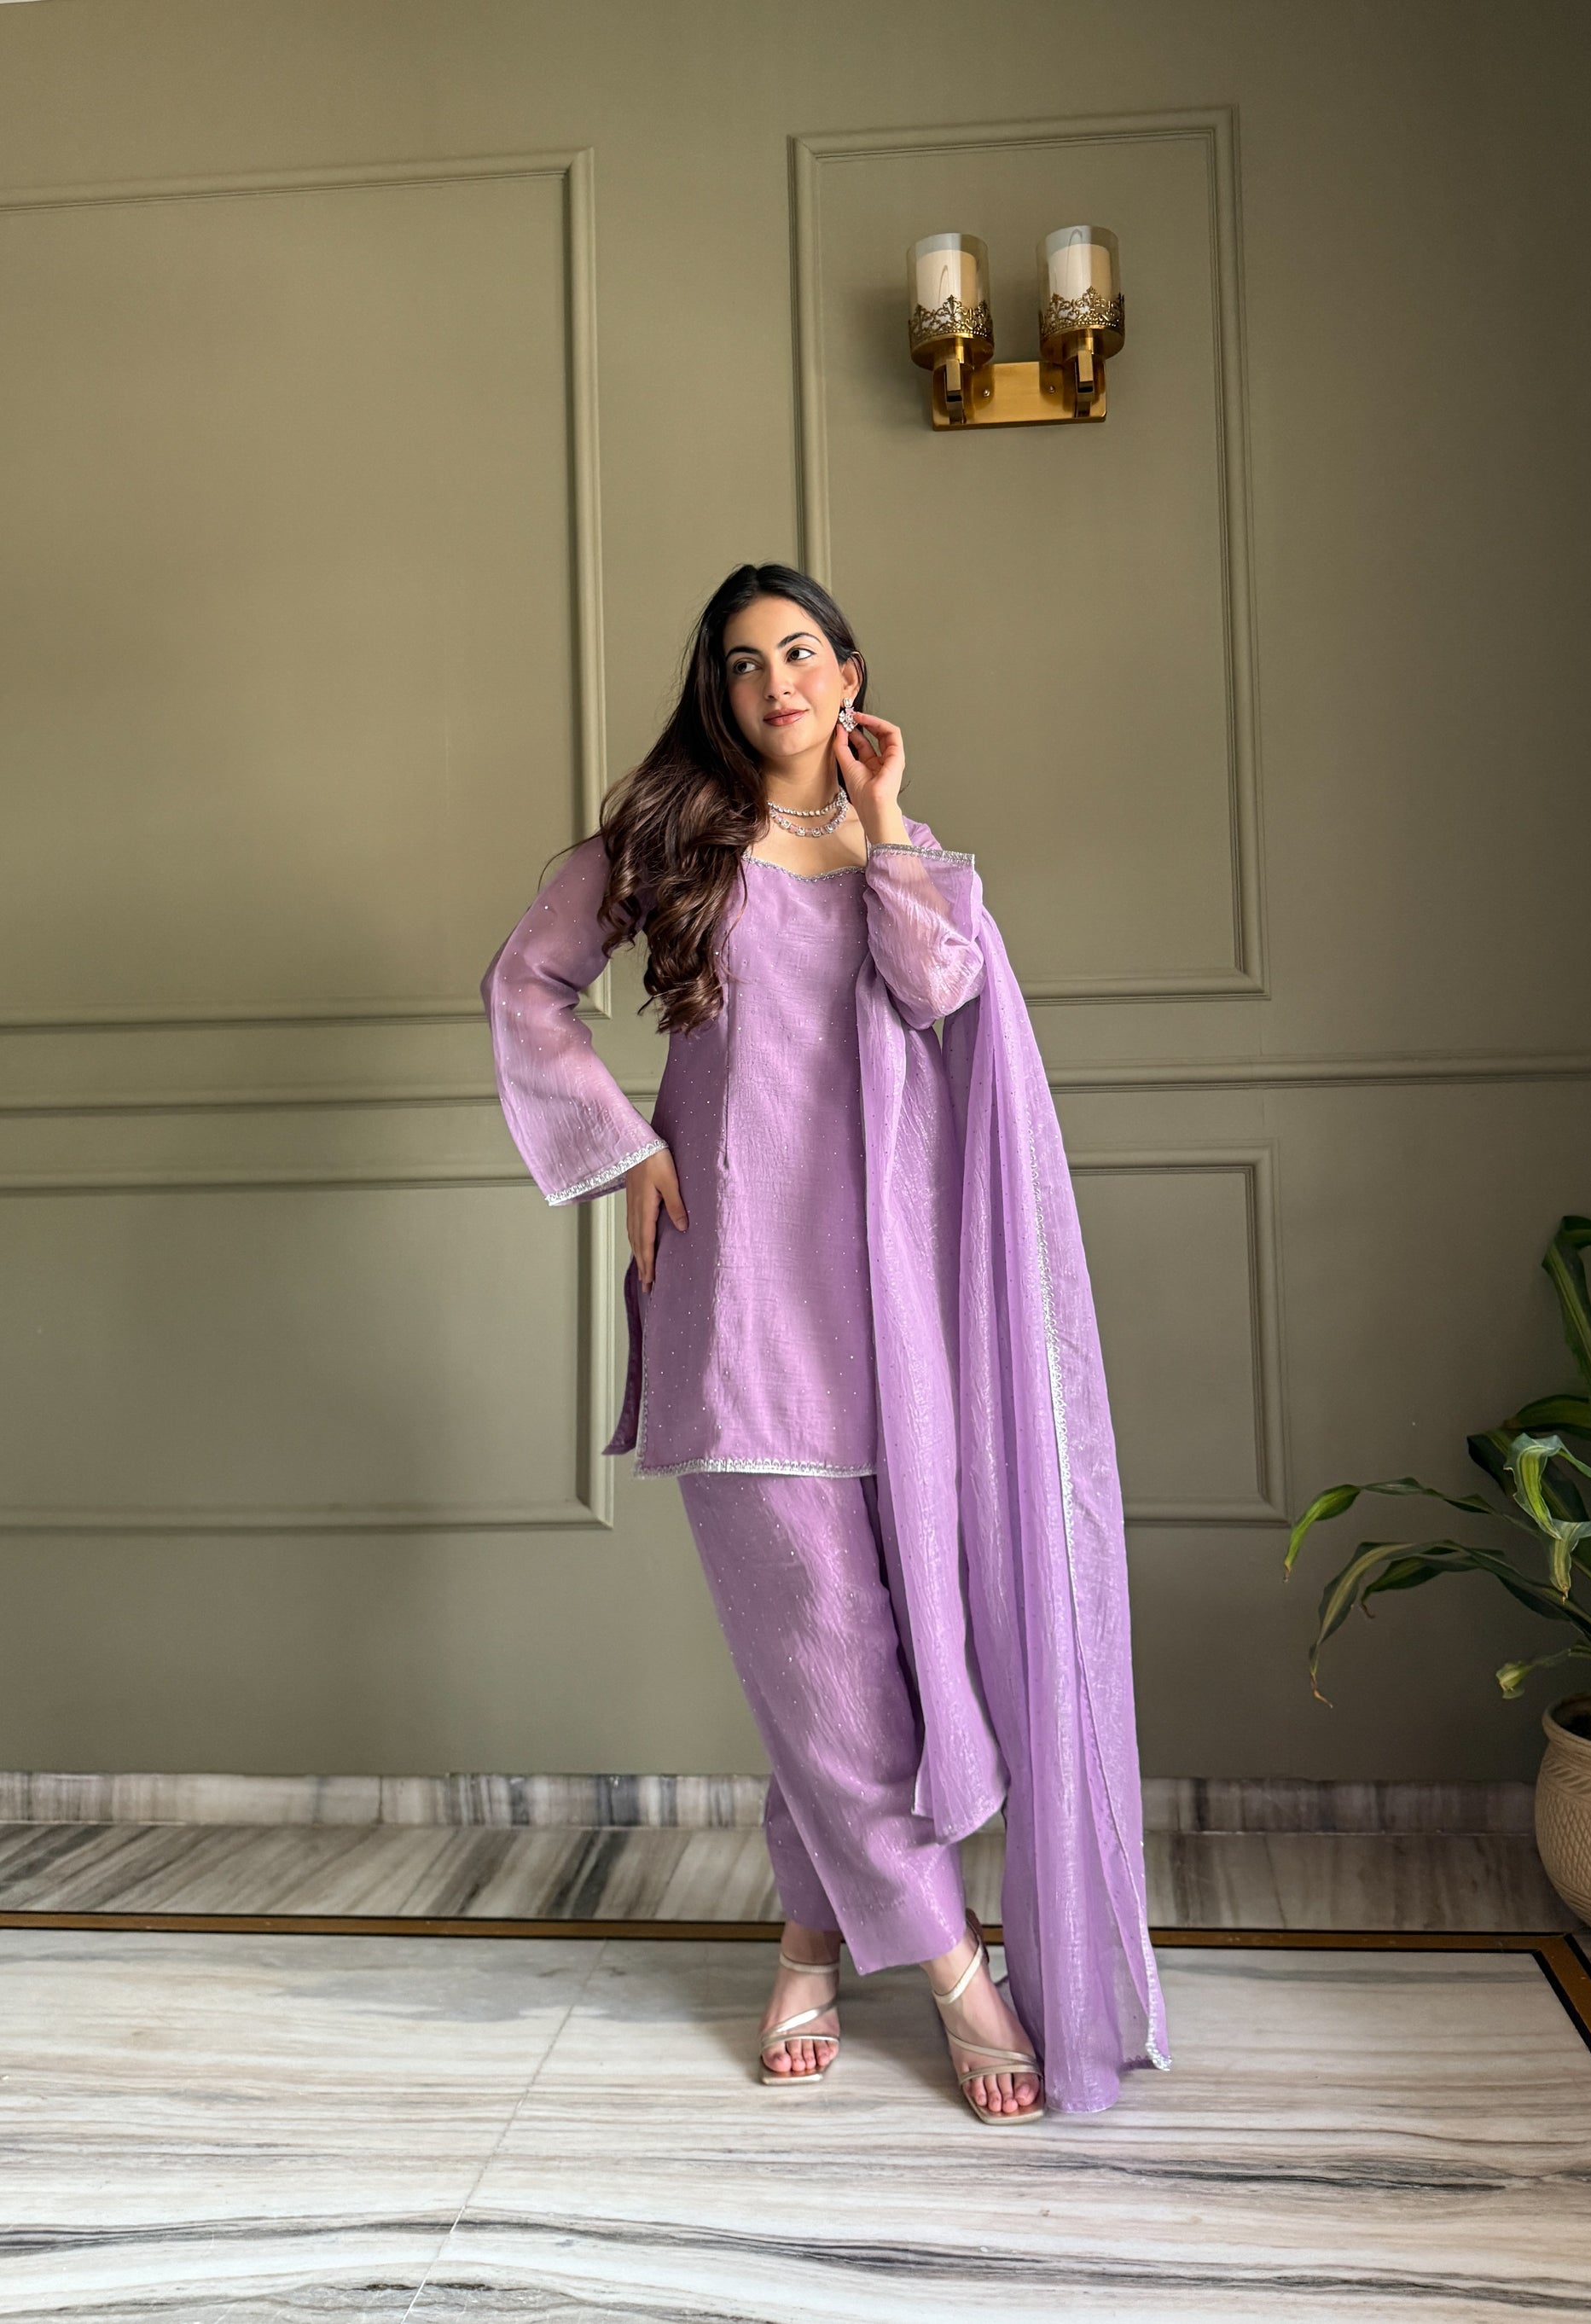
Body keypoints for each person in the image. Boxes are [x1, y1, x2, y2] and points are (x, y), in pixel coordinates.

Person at [481, 561, 1168, 2120]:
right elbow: (525, 984)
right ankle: (953, 1969)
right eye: (743, 662)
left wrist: (885, 820)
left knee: (883, 1667)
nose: (775, 682)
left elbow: (940, 990)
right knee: (826, 1657)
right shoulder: (666, 843)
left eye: (799, 652)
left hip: (895, 1318)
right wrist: (619, 1145)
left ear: (848, 676)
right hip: (737, 1308)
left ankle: (807, 1941)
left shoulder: (897, 859)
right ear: (717, 694)